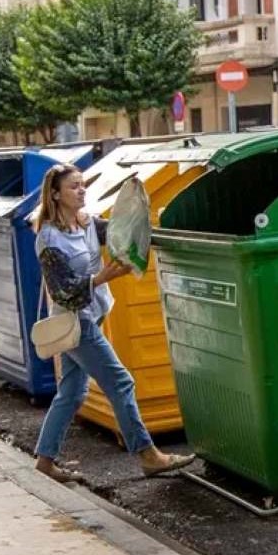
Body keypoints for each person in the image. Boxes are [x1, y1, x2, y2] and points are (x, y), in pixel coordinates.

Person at [32, 163, 194, 483]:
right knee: (121, 383)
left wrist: (163, 232)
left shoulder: (86, 223)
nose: (81, 190)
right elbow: (64, 292)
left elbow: (124, 232)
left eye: (82, 185)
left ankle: (45, 461)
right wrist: (105, 276)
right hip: (76, 322)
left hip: (92, 314)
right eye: (73, 186)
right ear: (55, 194)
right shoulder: (49, 240)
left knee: (72, 393)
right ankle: (147, 455)